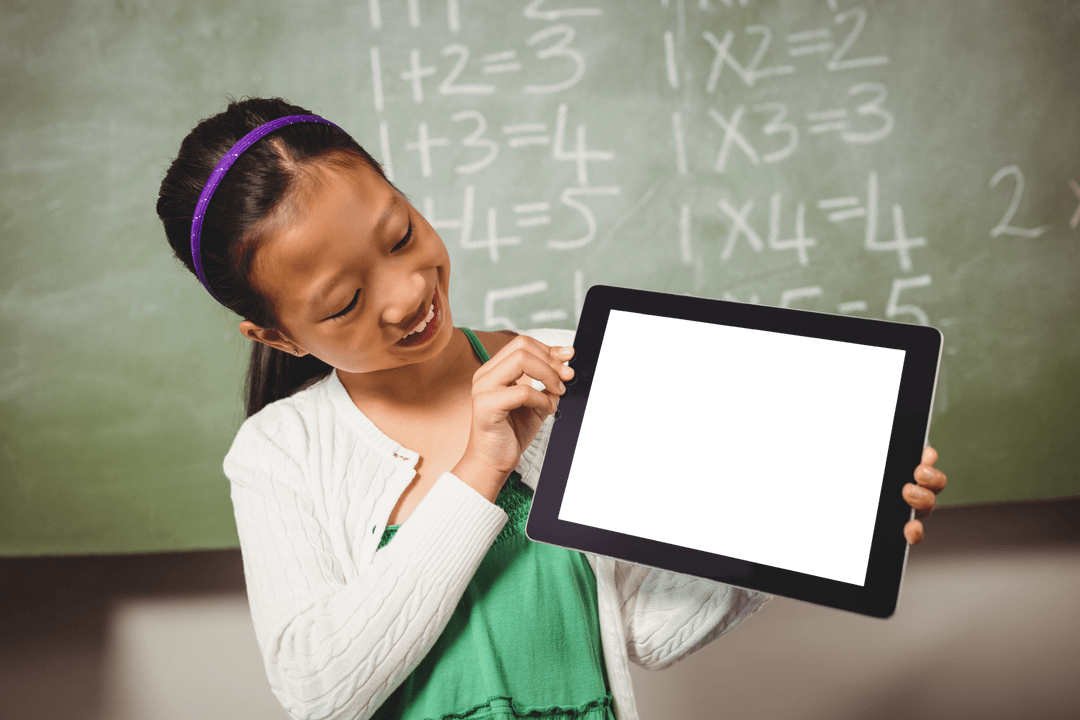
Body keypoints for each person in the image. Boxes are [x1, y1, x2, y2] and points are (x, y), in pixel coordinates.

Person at [156, 97, 947, 720]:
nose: (405, 294)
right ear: (277, 334)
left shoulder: (580, 364)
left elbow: (645, 633)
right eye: (345, 302)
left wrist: (806, 528)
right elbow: (321, 691)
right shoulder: (280, 451)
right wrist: (478, 470)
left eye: (399, 237)